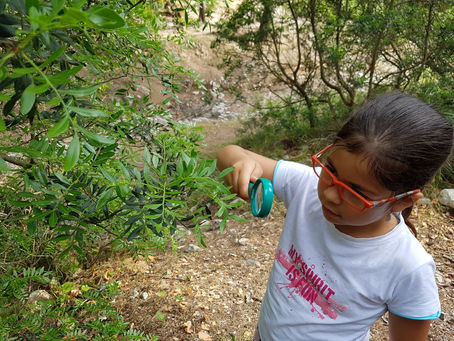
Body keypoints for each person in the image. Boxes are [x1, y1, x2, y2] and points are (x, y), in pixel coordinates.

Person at [216, 92, 453, 341]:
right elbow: (229, 153)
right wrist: (241, 163)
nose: (329, 194)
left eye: (355, 192)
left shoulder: (408, 267)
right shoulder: (305, 186)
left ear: (403, 200)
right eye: (330, 169)